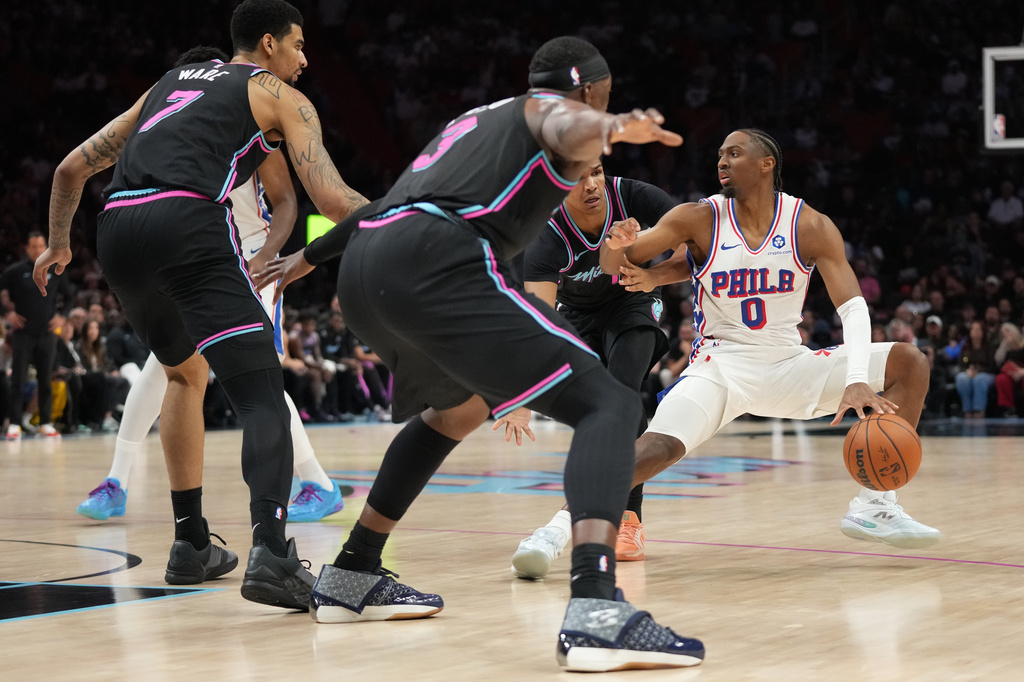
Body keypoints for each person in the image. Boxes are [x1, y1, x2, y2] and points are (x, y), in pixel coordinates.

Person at [258, 35, 703, 672]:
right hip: (435, 263)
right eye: (601, 101)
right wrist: (615, 124)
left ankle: (352, 573)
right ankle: (598, 612)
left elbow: (384, 203)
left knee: (458, 410)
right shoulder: (552, 113)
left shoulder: (473, 122)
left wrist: (309, 256)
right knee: (609, 401)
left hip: (367, 268)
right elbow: (558, 114)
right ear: (590, 92)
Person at [37, 0, 367, 608]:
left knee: (184, 375)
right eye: (298, 46)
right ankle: (271, 553)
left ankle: (191, 544)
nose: (304, 59)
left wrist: (59, 245)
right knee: (261, 390)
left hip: (116, 228)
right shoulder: (276, 93)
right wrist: (405, 211)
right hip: (186, 224)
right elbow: (334, 199)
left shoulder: (168, 84)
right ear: (268, 44)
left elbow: (69, 169)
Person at [598, 128, 941, 550]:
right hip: (721, 368)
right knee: (655, 449)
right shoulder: (698, 217)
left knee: (910, 362)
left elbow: (852, 306)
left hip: (788, 366)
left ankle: (874, 505)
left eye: (735, 153)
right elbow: (617, 264)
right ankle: (562, 526)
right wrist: (616, 245)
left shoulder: (809, 224)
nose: (722, 161)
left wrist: (855, 377)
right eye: (720, 154)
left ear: (767, 163)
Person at [76, 44, 345, 526]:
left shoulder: (248, 117)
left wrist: (266, 256)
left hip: (248, 259)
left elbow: (287, 203)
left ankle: (317, 483)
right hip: (194, 255)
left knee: (252, 371)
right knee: (167, 366)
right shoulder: (168, 137)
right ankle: (117, 479)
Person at [510, 159, 688, 578]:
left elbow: (693, 248)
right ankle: (617, 514)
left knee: (623, 391)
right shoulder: (545, 237)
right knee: (600, 411)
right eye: (577, 178)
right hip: (576, 317)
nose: (591, 184)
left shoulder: (637, 197)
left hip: (633, 298)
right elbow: (541, 322)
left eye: (596, 171)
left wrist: (653, 275)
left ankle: (627, 521)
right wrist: (522, 397)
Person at [1, 231, 74, 439]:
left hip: (47, 333)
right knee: (18, 379)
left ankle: (45, 422)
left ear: (46, 247)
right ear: (27, 248)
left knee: (45, 379)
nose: (37, 250)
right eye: (33, 246)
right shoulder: (15, 271)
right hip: (23, 333)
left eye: (41, 246)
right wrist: (7, 313)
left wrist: (63, 316)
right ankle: (14, 423)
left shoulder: (56, 270)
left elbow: (69, 297)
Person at [955, 320, 996, 418]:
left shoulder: (989, 346)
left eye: (978, 329)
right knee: (962, 379)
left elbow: (993, 367)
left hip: (986, 373)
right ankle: (967, 411)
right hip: (968, 373)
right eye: (973, 329)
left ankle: (979, 410)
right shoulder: (965, 346)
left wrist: (978, 370)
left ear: (983, 332)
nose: (975, 332)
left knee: (979, 379)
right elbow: (960, 365)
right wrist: (967, 371)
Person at [993, 322, 1024, 418]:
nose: (1005, 335)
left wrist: (1022, 372)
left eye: (1007, 332)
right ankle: (1010, 409)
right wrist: (1004, 345)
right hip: (1009, 374)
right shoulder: (1004, 347)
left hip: (1022, 371)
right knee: (1001, 379)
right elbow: (998, 360)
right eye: (1003, 333)